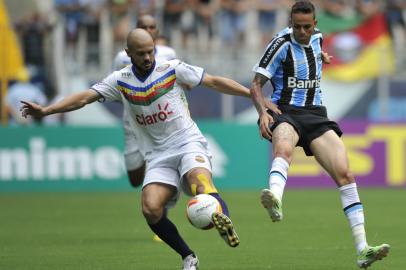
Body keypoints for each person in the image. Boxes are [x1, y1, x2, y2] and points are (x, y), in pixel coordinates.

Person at [21, 28, 277, 270]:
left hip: (188, 142)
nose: (147, 57)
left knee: (201, 182)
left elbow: (213, 82)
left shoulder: (172, 69)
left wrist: (253, 96)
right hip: (157, 155)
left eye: (150, 51)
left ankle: (222, 218)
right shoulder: (120, 80)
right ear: (128, 53)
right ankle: (189, 256)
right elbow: (84, 97)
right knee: (150, 209)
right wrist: (47, 110)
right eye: (141, 53)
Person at [249, 1, 390, 269]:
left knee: (346, 175)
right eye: (297, 26)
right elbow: (255, 83)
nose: (302, 31)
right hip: (286, 110)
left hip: (315, 114)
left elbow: (313, 50)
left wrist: (320, 57)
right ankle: (275, 198)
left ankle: (362, 248)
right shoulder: (279, 44)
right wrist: (264, 111)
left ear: (314, 24)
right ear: (290, 23)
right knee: (283, 148)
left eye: (307, 26)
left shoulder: (318, 37)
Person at [112, 14, 177, 243]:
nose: (148, 30)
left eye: (152, 27)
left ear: (157, 31)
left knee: (158, 166)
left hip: (160, 124)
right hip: (133, 124)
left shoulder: (168, 55)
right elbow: (115, 90)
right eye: (143, 27)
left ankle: (164, 202)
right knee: (134, 179)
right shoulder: (121, 59)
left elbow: (174, 84)